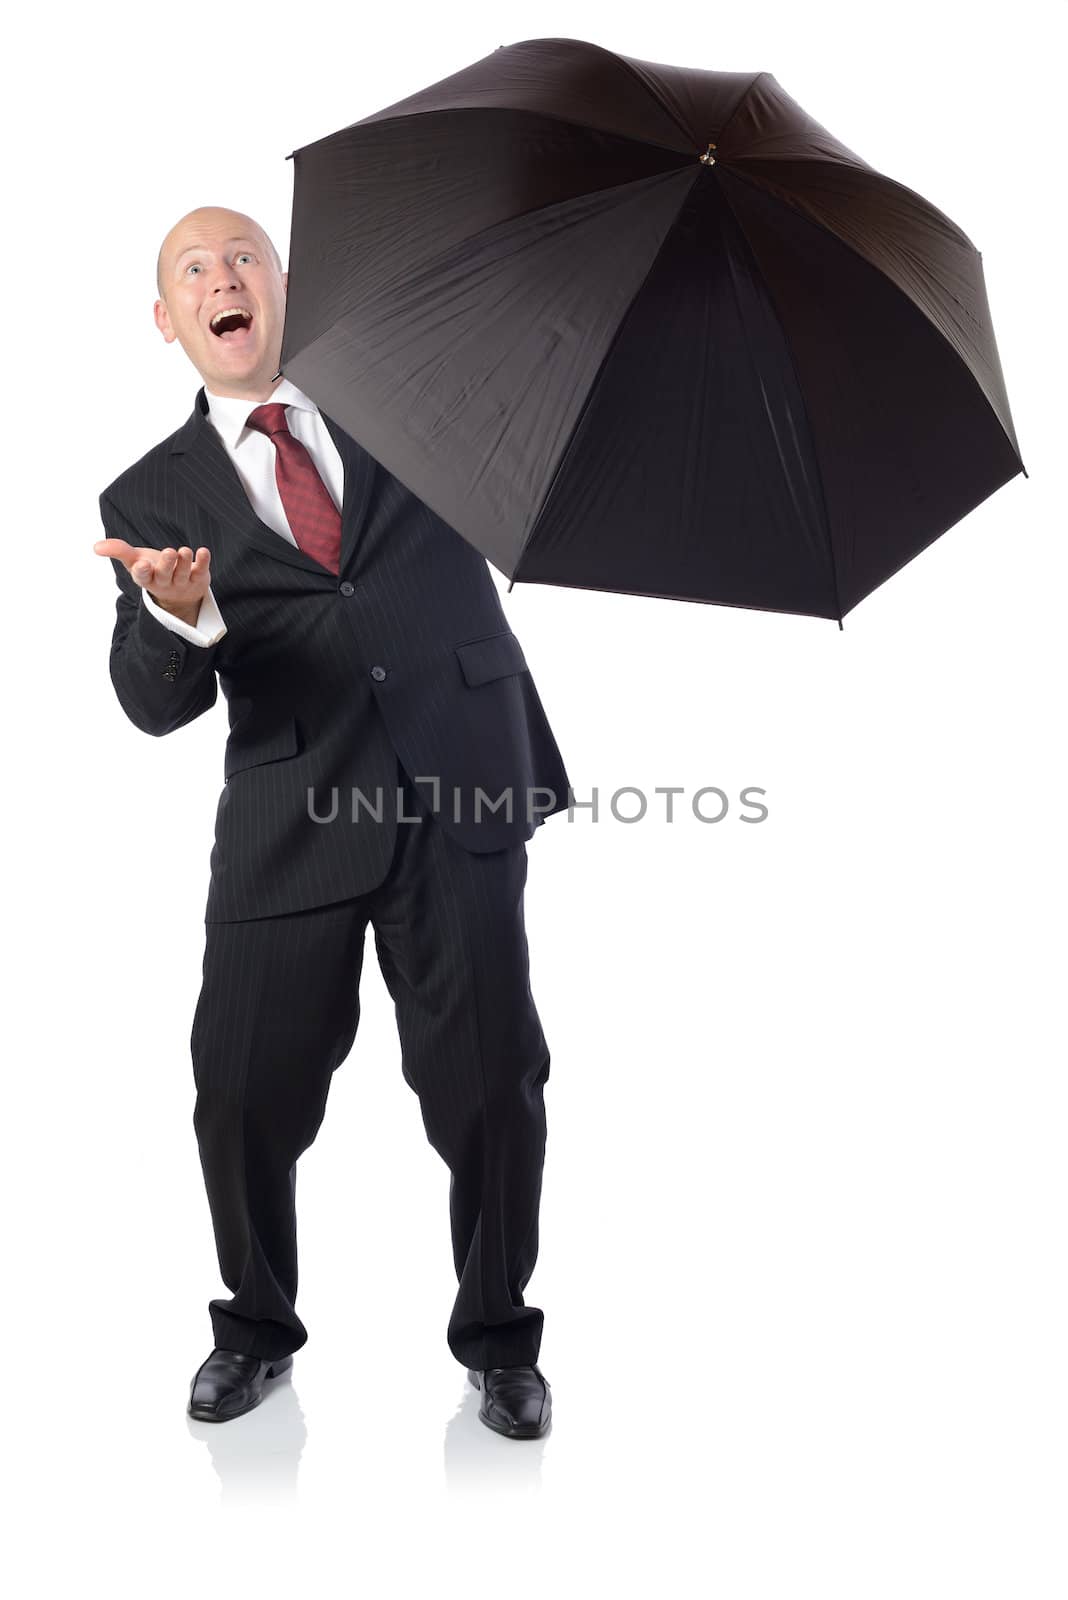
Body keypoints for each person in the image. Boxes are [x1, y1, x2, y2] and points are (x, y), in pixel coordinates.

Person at [93, 205, 571, 1439]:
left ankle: (499, 1341)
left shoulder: (414, 401)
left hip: (458, 782)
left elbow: (523, 430)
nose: (223, 278)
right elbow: (152, 708)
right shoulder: (146, 493)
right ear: (168, 322)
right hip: (289, 814)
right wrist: (180, 614)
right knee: (240, 1092)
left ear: (287, 285)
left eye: (242, 255)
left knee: (491, 1086)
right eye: (194, 270)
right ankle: (253, 1330)